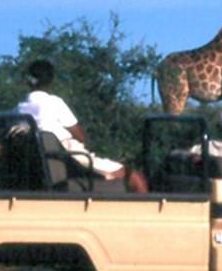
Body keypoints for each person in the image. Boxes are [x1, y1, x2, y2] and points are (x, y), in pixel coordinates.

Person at [16, 59, 148, 193]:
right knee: (135, 177)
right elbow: (78, 134)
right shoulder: (54, 102)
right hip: (71, 157)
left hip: (46, 165)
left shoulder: (19, 109)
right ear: (50, 80)